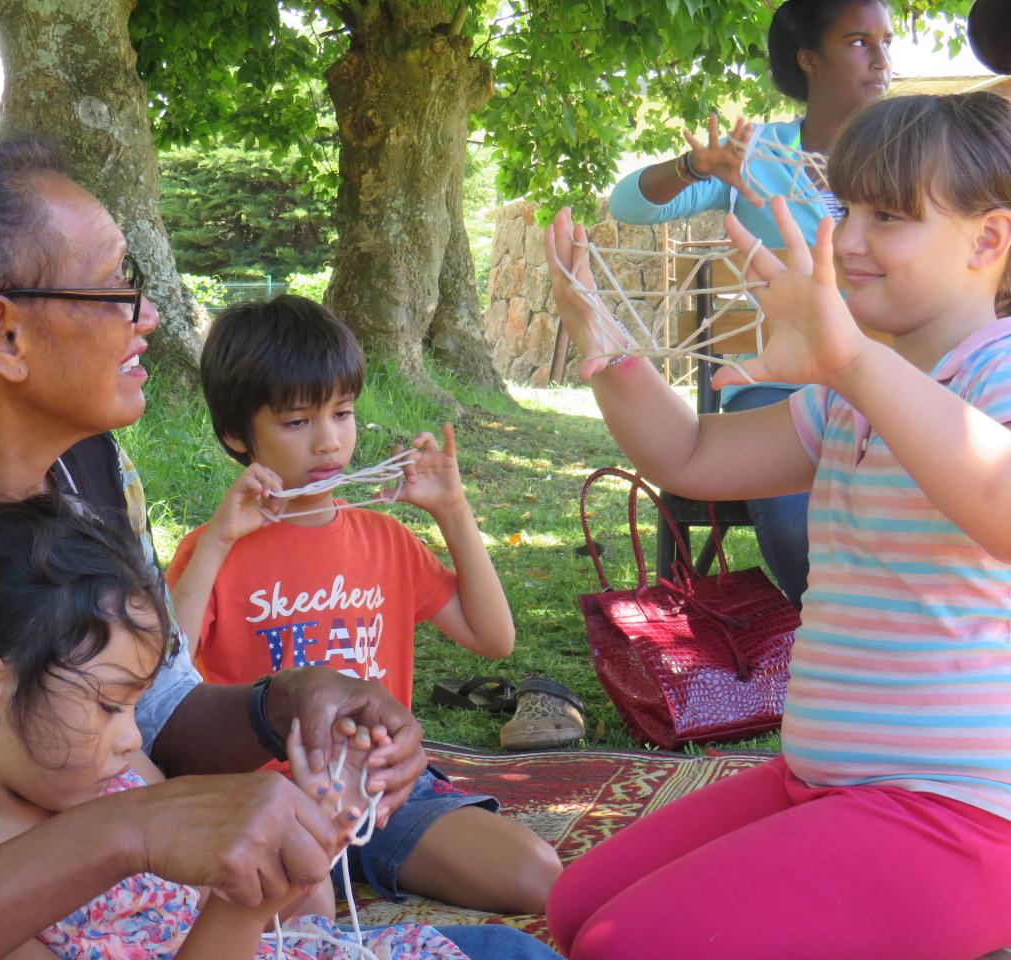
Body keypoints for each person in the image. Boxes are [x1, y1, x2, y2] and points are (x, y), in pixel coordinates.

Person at [0, 140, 432, 960]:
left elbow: (156, 704)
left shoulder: (89, 464)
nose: (147, 317)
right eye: (115, 289)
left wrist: (293, 703)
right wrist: (127, 830)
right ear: (5, 334)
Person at [543, 91, 1011, 959]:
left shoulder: (994, 370)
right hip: (823, 782)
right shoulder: (851, 392)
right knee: (576, 908)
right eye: (846, 209)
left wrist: (854, 362)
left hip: (961, 818)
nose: (850, 240)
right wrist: (602, 339)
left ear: (988, 240)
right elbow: (689, 455)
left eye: (892, 217)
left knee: (622, 946)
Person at [0, 496, 473, 960]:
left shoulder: (112, 779)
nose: (134, 737)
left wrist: (315, 830)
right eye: (111, 706)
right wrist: (247, 907)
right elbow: (228, 922)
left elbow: (230, 914)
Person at [166, 295, 563, 914]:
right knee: (309, 922)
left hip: (384, 788)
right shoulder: (212, 550)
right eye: (296, 423)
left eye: (342, 413)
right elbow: (165, 674)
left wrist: (453, 511)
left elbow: (494, 639)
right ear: (237, 435)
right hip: (267, 799)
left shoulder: (385, 541)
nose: (329, 441)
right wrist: (217, 540)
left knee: (539, 877)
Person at [606, 0, 894, 608]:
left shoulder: (908, 155)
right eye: (859, 42)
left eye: (885, 42)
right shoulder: (755, 153)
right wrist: (692, 167)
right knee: (794, 522)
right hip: (780, 383)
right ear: (808, 58)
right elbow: (630, 207)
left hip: (888, 379)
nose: (882, 60)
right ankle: (825, 639)